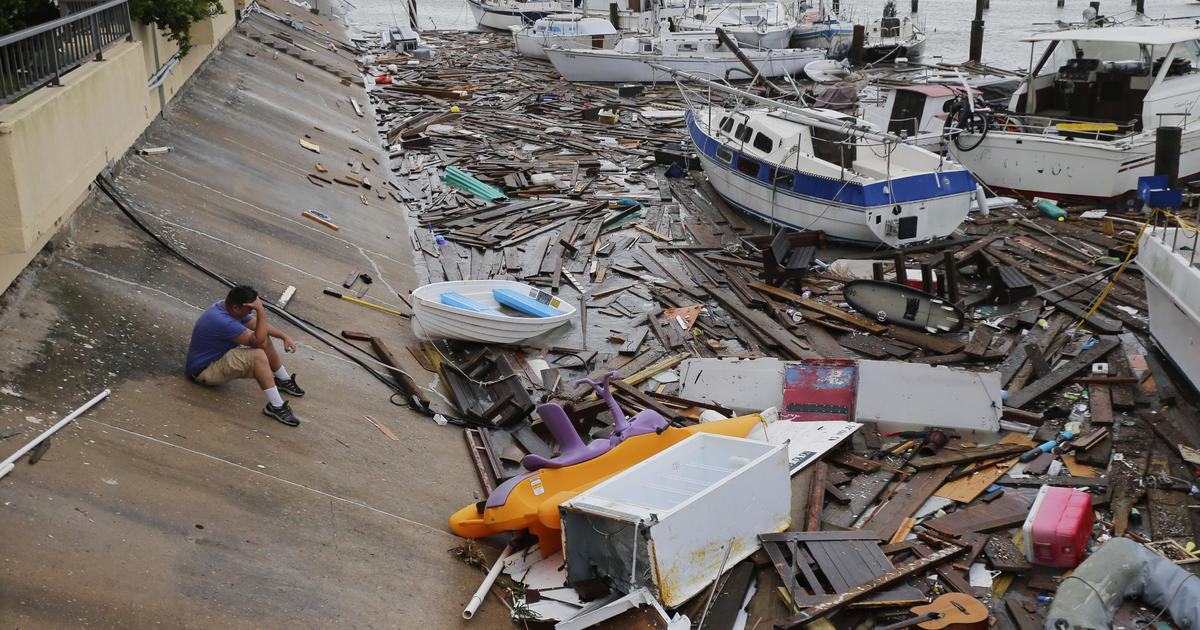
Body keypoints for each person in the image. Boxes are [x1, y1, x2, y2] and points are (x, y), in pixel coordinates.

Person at [186, 286, 305, 426]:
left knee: (262, 337)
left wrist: (284, 336)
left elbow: (255, 324)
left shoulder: (227, 307)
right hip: (204, 372)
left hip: (216, 358)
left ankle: (283, 380)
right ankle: (276, 406)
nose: (251, 313)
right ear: (236, 308)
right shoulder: (223, 321)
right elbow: (258, 340)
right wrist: (261, 310)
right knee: (258, 355)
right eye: (250, 310)